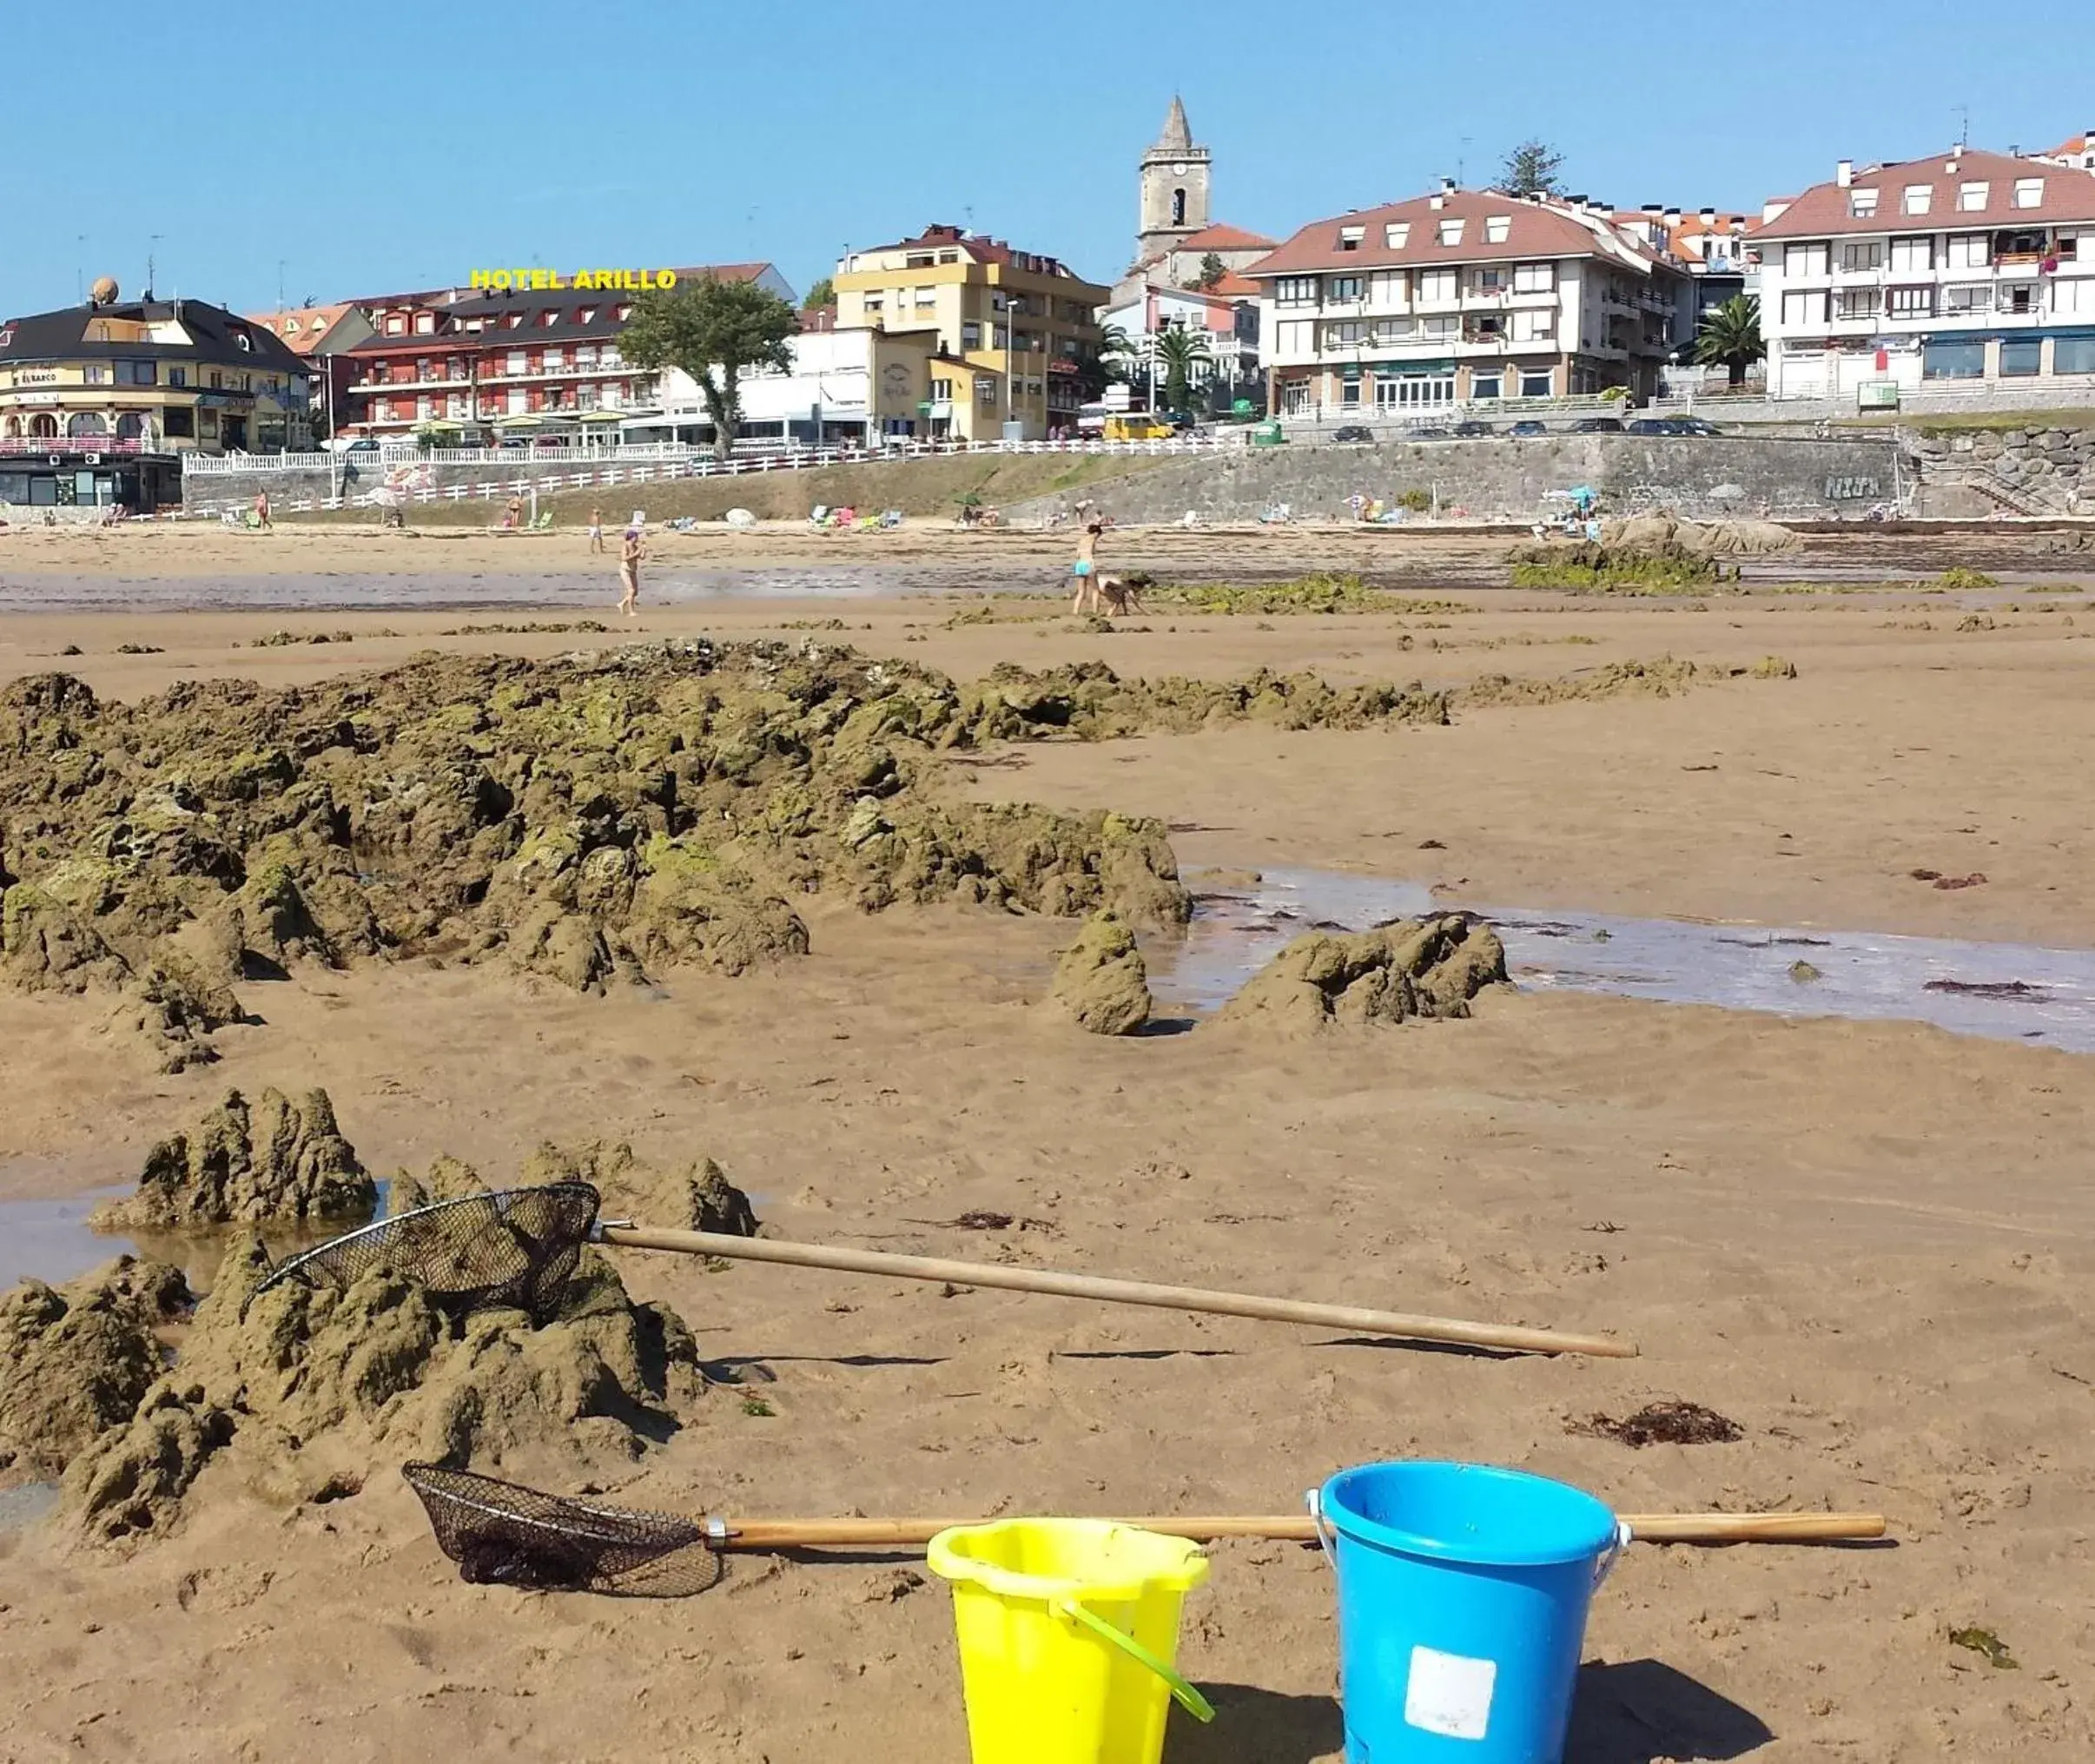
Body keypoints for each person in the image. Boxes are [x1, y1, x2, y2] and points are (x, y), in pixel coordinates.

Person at [1070, 521, 1103, 615]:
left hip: (1080, 564)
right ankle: (1095, 612)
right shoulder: (1093, 539)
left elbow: (1077, 555)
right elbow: (1092, 552)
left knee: (1081, 591)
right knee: (1095, 590)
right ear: (1096, 533)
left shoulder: (1082, 540)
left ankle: (1075, 612)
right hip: (1089, 564)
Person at [618, 526, 643, 618]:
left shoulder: (635, 546)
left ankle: (621, 604)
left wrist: (643, 549)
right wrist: (635, 554)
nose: (637, 539)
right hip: (625, 570)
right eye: (636, 537)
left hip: (633, 570)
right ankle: (631, 612)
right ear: (632, 537)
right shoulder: (625, 546)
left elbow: (642, 557)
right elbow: (624, 558)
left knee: (635, 592)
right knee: (631, 590)